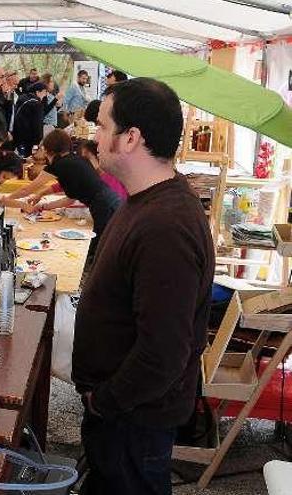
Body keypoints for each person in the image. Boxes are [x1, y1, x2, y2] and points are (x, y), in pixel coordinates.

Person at [73, 78, 214, 495]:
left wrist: (105, 401)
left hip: (134, 421)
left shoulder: (166, 227)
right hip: (124, 417)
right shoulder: (147, 201)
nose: (94, 136)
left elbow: (164, 352)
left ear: (131, 137)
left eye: (101, 126)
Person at [6, 130, 121, 259]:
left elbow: (26, 190)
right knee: (100, 245)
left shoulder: (58, 165)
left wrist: (5, 200)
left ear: (48, 149)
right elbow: (70, 199)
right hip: (110, 200)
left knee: (98, 249)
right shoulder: (78, 160)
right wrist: (43, 206)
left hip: (103, 204)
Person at [12, 82, 50, 157]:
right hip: (29, 139)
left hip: (17, 135)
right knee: (29, 160)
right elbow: (37, 124)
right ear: (37, 92)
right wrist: (38, 141)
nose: (46, 95)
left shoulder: (22, 98)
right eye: (45, 92)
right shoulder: (36, 104)